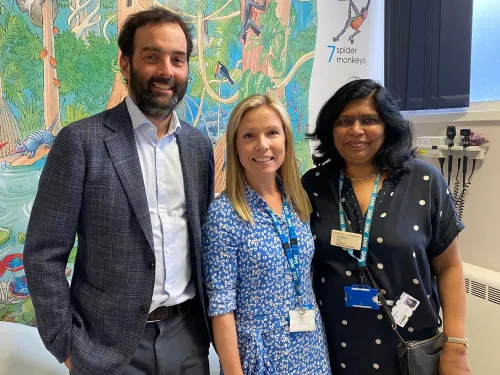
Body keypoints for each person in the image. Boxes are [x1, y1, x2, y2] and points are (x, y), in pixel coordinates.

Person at [23, 8, 214, 375]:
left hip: (188, 338)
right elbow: (43, 253)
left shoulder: (198, 147)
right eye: (151, 56)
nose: (166, 71)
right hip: (105, 348)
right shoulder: (81, 142)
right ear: (125, 63)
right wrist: (65, 345)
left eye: (178, 59)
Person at [302, 79, 471, 374]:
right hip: (333, 347)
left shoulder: (424, 181)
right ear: (331, 129)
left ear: (388, 126)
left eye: (369, 120)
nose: (356, 130)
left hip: (408, 347)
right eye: (344, 121)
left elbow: (449, 268)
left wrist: (456, 347)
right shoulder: (313, 186)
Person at [201, 94, 331, 375]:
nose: (262, 145)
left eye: (272, 133)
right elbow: (222, 309)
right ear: (236, 147)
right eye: (249, 136)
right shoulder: (224, 215)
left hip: (310, 348)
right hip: (260, 358)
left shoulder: (298, 202)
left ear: (285, 139)